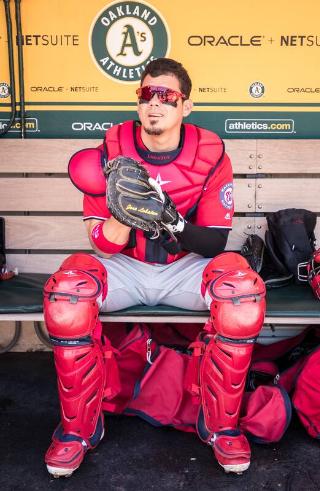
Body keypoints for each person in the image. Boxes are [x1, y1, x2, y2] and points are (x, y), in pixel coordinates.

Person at [43, 58, 266, 478]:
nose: (155, 103)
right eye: (147, 94)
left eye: (167, 96)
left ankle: (222, 427)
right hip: (126, 266)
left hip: (185, 268)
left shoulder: (211, 151)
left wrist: (169, 219)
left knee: (241, 294)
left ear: (186, 106)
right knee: (67, 294)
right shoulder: (112, 146)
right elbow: (101, 242)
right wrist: (124, 214)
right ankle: (77, 431)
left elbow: (215, 241)